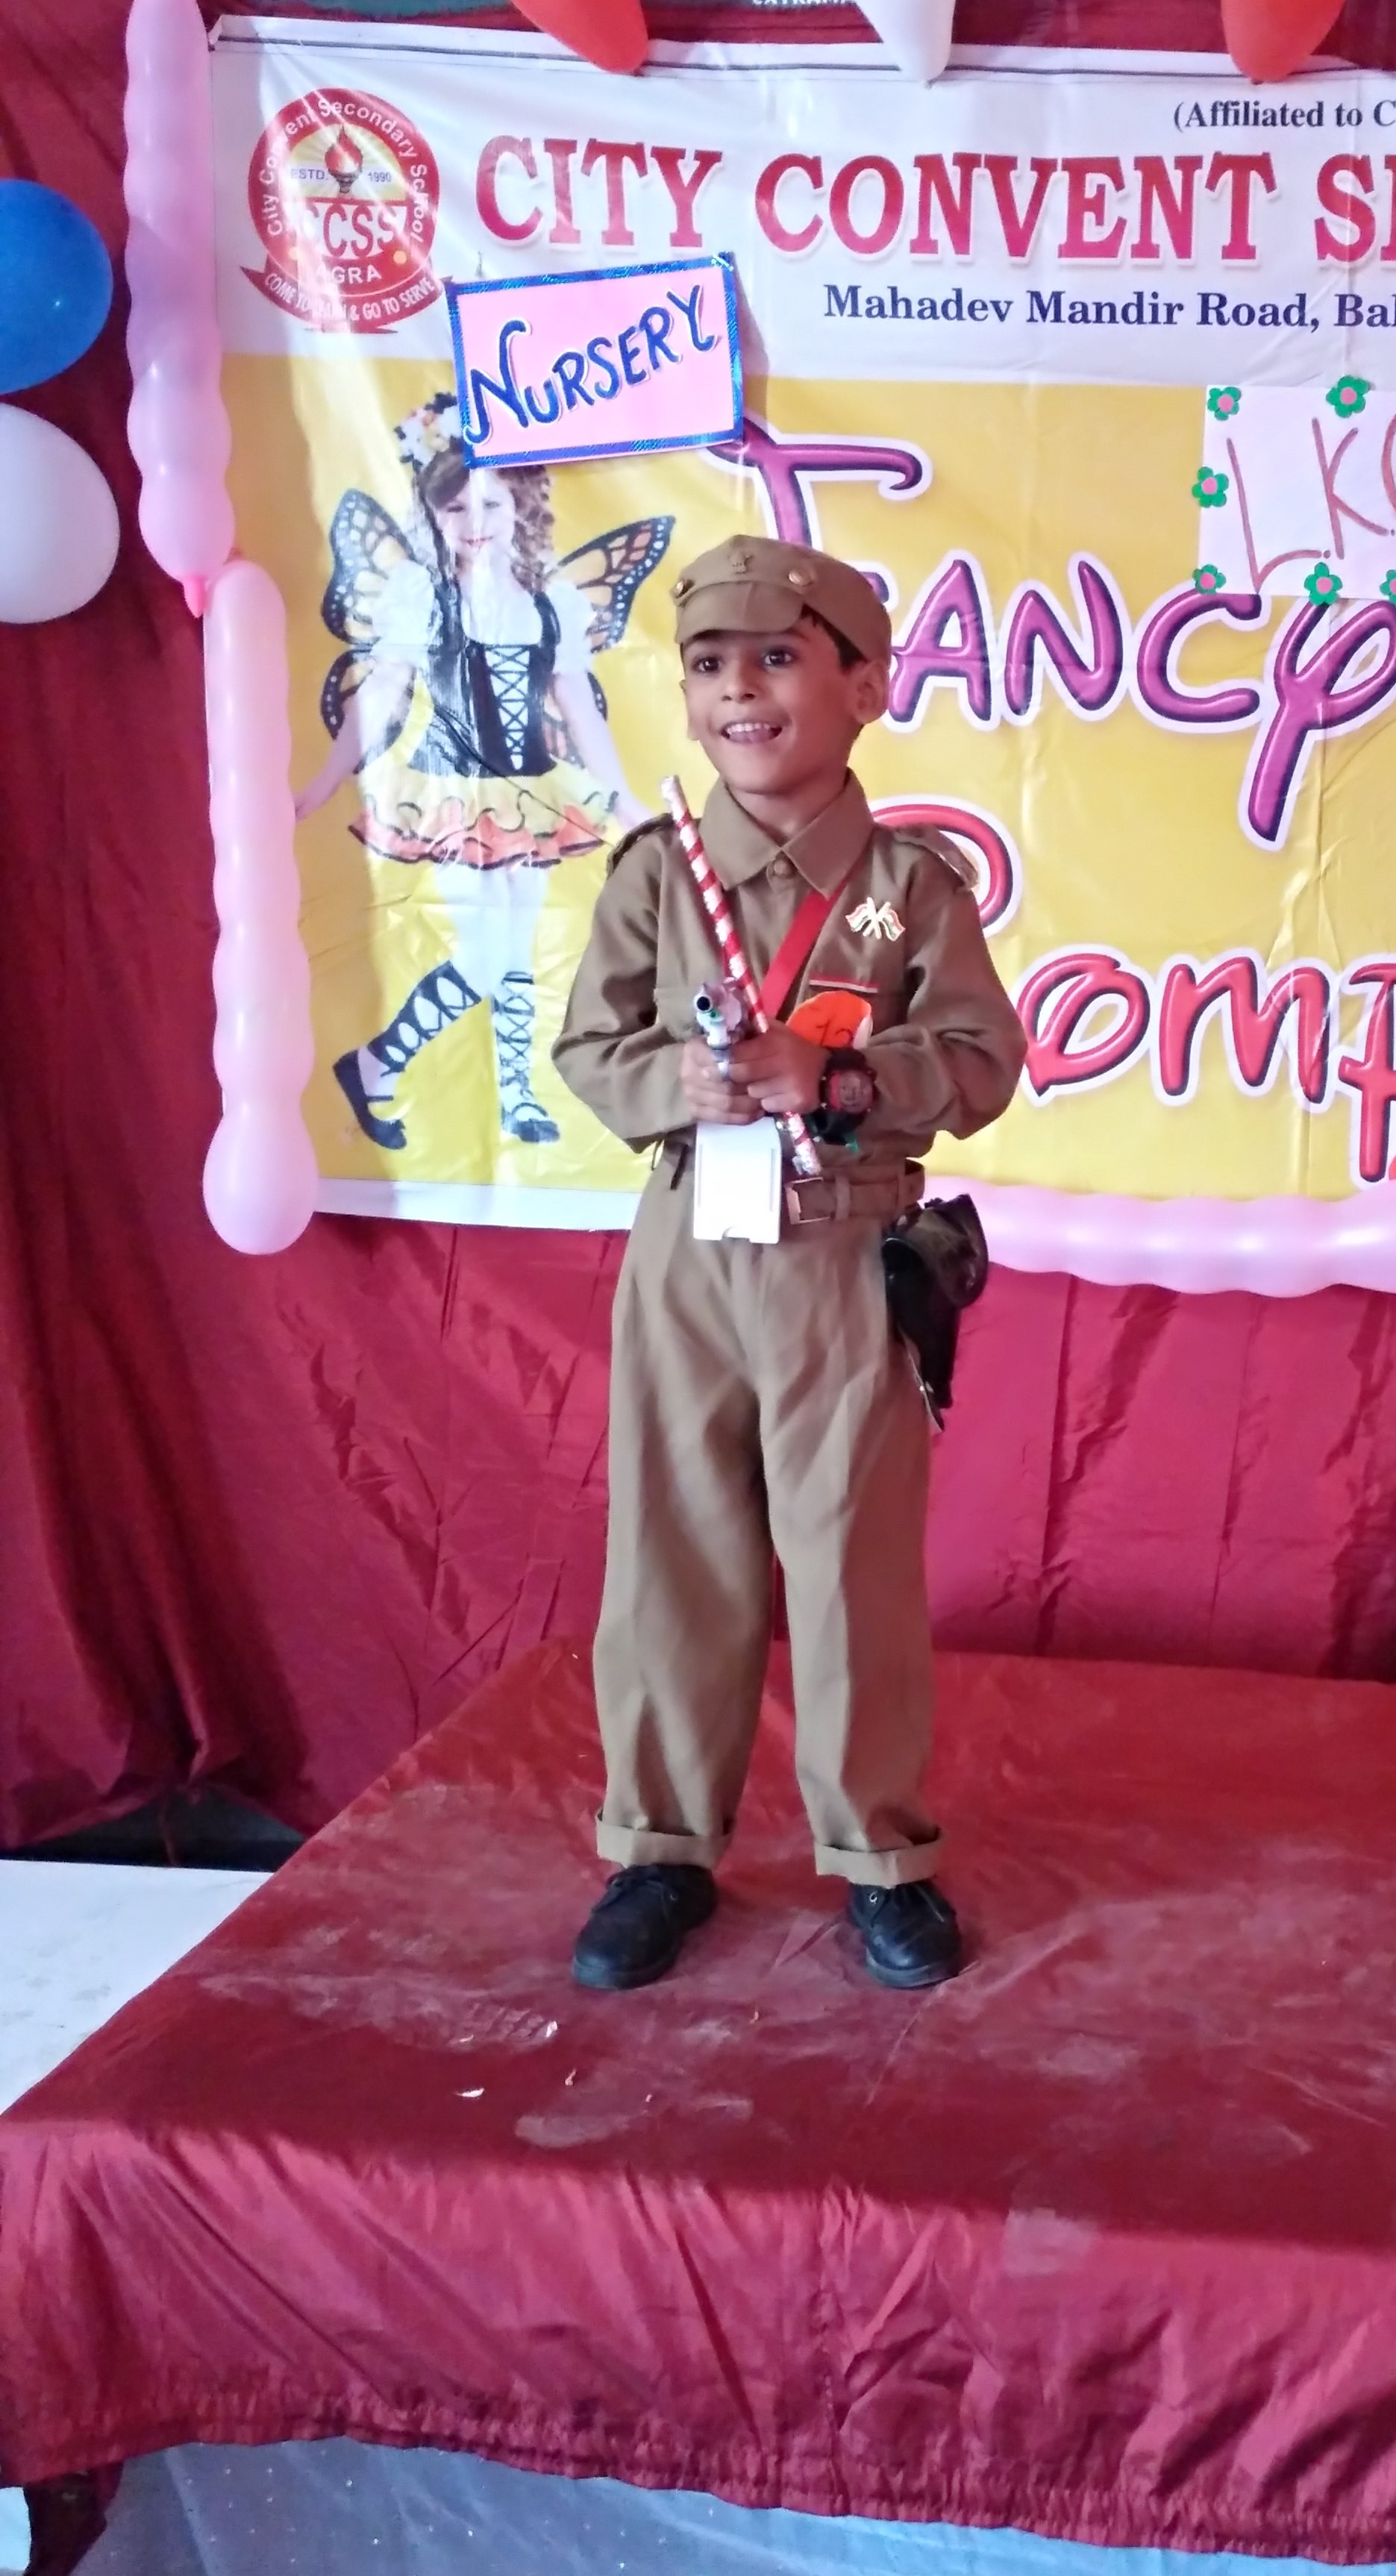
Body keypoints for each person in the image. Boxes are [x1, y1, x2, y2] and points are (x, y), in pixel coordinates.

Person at [552, 536, 1026, 1995]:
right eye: (709, 664)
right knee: (671, 1550)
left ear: (863, 686)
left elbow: (979, 1058)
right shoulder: (657, 872)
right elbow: (591, 1042)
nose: (738, 691)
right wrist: (671, 1083)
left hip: (840, 1249)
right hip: (690, 1242)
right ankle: (658, 1846)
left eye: (777, 657)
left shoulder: (906, 884)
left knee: (847, 1567)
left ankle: (877, 1853)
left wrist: (834, 1075)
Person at [296, 392, 665, 1153]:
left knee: (516, 945)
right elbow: (385, 690)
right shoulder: (423, 594)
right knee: (487, 951)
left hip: (532, 789)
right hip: (450, 792)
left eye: (490, 503)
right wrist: (327, 778)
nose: (475, 521)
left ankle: (515, 1097)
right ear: (433, 512)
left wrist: (622, 798)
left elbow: (578, 709)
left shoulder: (551, 602)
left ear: (518, 505)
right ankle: (374, 1063)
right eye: (456, 506)